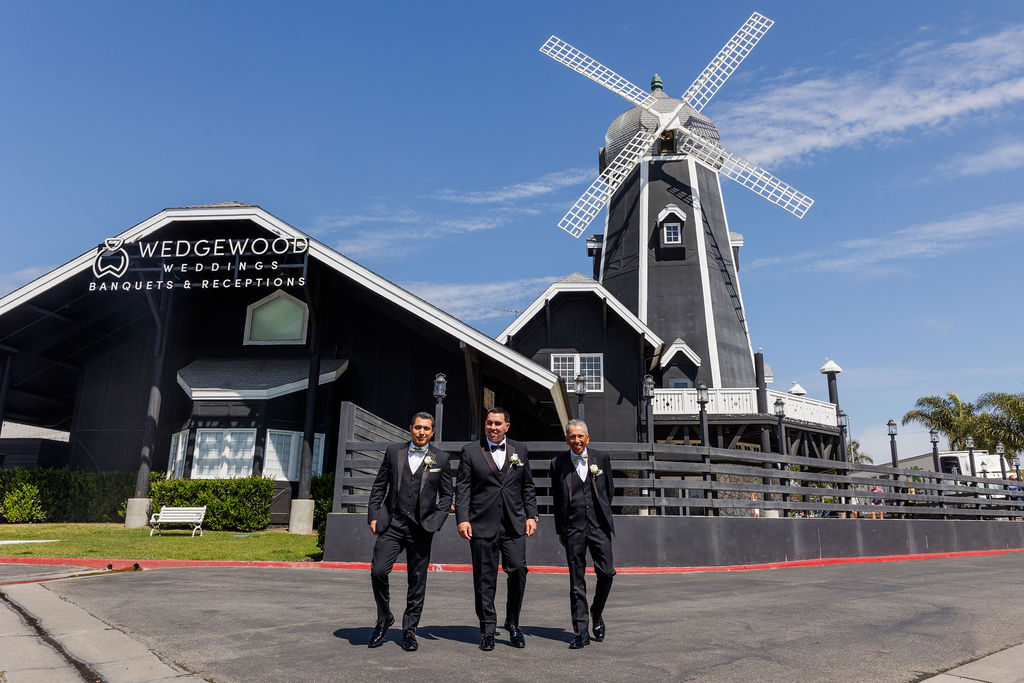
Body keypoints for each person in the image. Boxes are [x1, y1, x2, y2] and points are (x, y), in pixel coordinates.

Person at [366, 412, 454, 652]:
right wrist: (373, 515)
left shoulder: (441, 459)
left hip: (422, 527)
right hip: (392, 524)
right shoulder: (394, 452)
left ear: (433, 431)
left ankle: (409, 630)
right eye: (417, 427)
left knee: (417, 580)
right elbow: (379, 485)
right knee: (378, 570)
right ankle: (384, 617)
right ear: (410, 428)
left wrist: (437, 519)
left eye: (426, 428)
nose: (421, 432)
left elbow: (448, 495)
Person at [456, 407, 537, 651]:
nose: (493, 427)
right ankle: (488, 629)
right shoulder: (470, 451)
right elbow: (463, 488)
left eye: (497, 424)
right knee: (484, 579)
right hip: (481, 523)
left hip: (513, 524)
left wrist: (531, 515)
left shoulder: (519, 451)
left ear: (507, 427)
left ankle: (512, 624)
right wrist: (462, 518)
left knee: (518, 571)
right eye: (489, 423)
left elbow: (527, 486)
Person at [549, 419, 615, 649]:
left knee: (607, 572)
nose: (576, 441)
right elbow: (557, 500)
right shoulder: (557, 463)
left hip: (598, 526)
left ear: (587, 438)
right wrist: (560, 530)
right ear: (566, 439)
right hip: (573, 528)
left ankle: (596, 611)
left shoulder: (602, 458)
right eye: (571, 437)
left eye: (580, 437)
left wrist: (601, 516)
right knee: (576, 580)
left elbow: (609, 491)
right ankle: (581, 630)